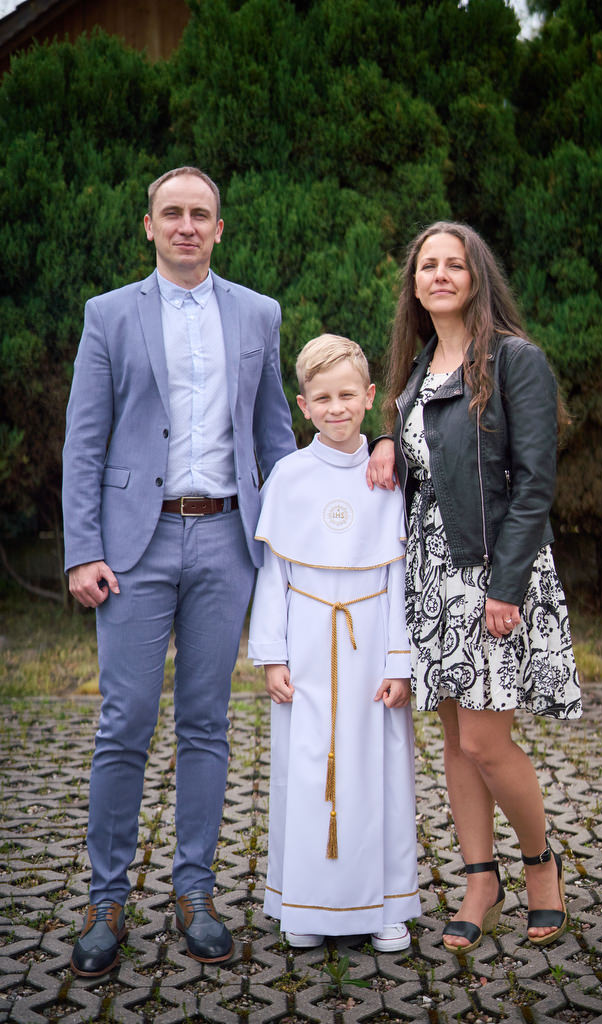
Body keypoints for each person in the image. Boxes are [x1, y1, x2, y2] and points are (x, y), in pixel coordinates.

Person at [62, 166, 296, 976]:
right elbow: (84, 441)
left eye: (200, 214)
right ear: (150, 226)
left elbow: (275, 436)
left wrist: (299, 542)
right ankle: (106, 899)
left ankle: (196, 891)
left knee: (206, 722)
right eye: (172, 213)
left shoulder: (259, 313)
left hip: (228, 540)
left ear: (219, 228)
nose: (186, 225)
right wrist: (81, 549)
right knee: (124, 722)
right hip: (135, 546)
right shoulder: (108, 314)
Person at [367, 221, 581, 951]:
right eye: (427, 265)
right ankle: (480, 880)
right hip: (430, 574)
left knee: (489, 741)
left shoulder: (516, 360)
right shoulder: (417, 369)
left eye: (454, 264)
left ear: (476, 276)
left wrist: (507, 585)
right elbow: (423, 450)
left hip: (494, 570)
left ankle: (541, 866)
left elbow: (535, 484)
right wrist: (386, 437)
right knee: (456, 739)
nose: (439, 275)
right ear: (414, 283)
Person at [248, 334, 421, 952]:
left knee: (379, 773)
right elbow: (275, 574)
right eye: (322, 398)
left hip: (371, 649)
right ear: (303, 405)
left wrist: (400, 661)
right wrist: (272, 655)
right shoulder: (289, 476)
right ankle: (303, 903)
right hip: (306, 646)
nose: (337, 407)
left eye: (348, 394)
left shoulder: (387, 476)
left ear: (370, 397)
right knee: (304, 769)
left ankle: (386, 906)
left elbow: (399, 576)